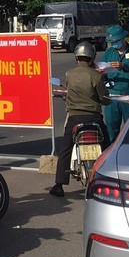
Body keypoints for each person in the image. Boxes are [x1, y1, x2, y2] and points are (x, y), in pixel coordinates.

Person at [50, 41, 111, 197]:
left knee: (65, 150)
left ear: (76, 57)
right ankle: (109, 180)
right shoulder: (96, 76)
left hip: (75, 118)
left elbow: (70, 92)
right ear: (91, 58)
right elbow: (104, 99)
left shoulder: (69, 74)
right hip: (94, 118)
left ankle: (59, 185)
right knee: (107, 149)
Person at [100, 25, 129, 141]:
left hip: (128, 95)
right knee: (111, 128)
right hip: (112, 95)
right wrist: (100, 71)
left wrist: (123, 65)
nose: (113, 44)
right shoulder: (109, 52)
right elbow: (101, 68)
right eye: (111, 42)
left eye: (115, 41)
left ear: (122, 38)